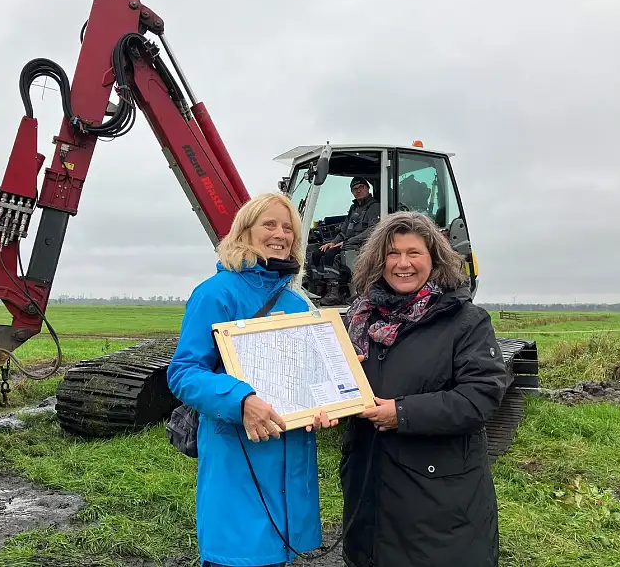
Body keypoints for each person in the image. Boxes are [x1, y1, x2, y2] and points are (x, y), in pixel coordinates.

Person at [167, 192, 339, 567]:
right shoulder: (216, 293)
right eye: (269, 224)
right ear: (244, 231)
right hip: (237, 456)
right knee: (239, 553)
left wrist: (334, 386)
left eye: (288, 227)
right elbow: (184, 373)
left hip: (290, 457)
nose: (281, 233)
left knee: (279, 552)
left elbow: (304, 377)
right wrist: (240, 400)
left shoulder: (296, 303)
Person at [339, 211, 509, 567]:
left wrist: (401, 413)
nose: (403, 263)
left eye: (414, 253)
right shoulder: (360, 318)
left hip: (438, 498)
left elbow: (478, 397)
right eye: (392, 253)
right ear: (377, 260)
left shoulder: (465, 321)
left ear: (434, 259)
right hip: (368, 485)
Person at [310, 176, 380, 305]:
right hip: (347, 243)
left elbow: (373, 230)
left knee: (332, 255)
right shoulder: (354, 209)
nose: (358, 191)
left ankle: (334, 292)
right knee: (317, 253)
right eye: (354, 189)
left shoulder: (374, 207)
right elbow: (343, 232)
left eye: (361, 187)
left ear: (367, 188)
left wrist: (348, 242)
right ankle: (320, 288)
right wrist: (333, 242)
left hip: (362, 245)